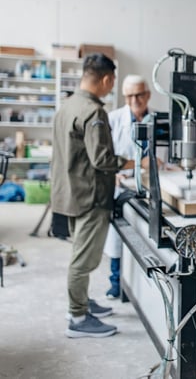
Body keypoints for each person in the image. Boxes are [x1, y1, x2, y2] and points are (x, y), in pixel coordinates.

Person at [51, 53, 132, 338]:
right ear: (107, 79)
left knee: (79, 252)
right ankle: (77, 318)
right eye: (112, 83)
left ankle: (81, 303)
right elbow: (102, 160)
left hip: (70, 192)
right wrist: (134, 163)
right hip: (90, 197)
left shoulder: (68, 105)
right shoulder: (94, 112)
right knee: (83, 261)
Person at [104, 74, 152, 299]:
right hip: (121, 186)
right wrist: (111, 173)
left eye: (139, 95)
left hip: (149, 188)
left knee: (145, 236)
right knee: (117, 237)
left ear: (148, 95)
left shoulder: (158, 121)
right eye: (130, 95)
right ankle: (116, 282)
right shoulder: (112, 120)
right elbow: (103, 156)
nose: (135, 100)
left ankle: (142, 286)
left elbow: (165, 158)